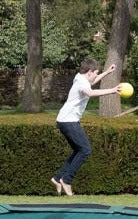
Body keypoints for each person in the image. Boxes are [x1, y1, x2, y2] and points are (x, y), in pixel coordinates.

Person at [51, 59, 121, 196]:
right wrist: (112, 90)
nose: (96, 75)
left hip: (64, 120)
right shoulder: (82, 83)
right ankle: (66, 180)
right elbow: (90, 92)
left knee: (79, 150)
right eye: (96, 73)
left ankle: (57, 178)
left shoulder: (79, 77)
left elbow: (92, 82)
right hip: (69, 121)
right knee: (85, 150)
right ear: (89, 72)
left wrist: (107, 72)